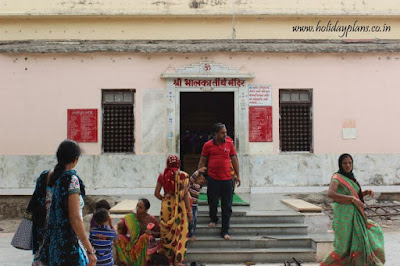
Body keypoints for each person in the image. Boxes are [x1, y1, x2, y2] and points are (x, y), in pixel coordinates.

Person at [26, 139, 97, 266]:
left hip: (43, 246)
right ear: (75, 160)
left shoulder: (44, 177)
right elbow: (75, 218)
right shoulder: (71, 180)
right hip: (64, 248)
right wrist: (90, 250)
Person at [321, 153, 385, 265]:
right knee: (342, 248)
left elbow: (354, 196)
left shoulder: (351, 178)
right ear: (340, 164)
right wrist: (352, 199)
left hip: (355, 215)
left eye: (350, 163)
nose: (347, 165)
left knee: (362, 240)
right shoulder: (337, 178)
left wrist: (363, 193)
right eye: (345, 163)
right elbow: (331, 194)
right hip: (343, 216)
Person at [198, 123, 240, 240]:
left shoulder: (229, 143)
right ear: (216, 134)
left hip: (227, 180)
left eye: (225, 132)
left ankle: (225, 230)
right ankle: (214, 218)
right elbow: (202, 161)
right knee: (212, 201)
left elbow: (234, 159)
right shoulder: (207, 145)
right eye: (222, 132)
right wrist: (200, 175)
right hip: (213, 179)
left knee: (227, 206)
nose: (225, 135)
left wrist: (237, 175)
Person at [154, 155, 192, 265]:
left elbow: (156, 194)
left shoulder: (162, 176)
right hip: (179, 207)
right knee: (179, 232)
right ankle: (178, 260)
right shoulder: (184, 176)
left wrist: (164, 199)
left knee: (167, 233)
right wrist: (189, 211)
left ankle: (168, 259)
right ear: (179, 164)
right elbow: (185, 195)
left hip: (167, 207)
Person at [114, 198, 160, 265]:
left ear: (146, 210)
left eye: (140, 207)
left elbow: (160, 234)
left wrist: (151, 233)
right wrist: (122, 225)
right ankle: (125, 262)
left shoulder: (151, 219)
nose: (137, 209)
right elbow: (122, 230)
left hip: (144, 247)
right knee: (118, 237)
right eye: (137, 206)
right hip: (132, 244)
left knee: (145, 237)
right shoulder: (132, 217)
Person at [188, 167, 207, 241]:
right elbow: (192, 178)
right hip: (190, 205)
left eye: (202, 179)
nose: (201, 180)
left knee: (194, 221)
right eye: (199, 178)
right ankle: (190, 234)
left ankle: (192, 233)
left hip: (195, 206)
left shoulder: (199, 186)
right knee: (190, 220)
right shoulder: (191, 184)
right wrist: (198, 171)